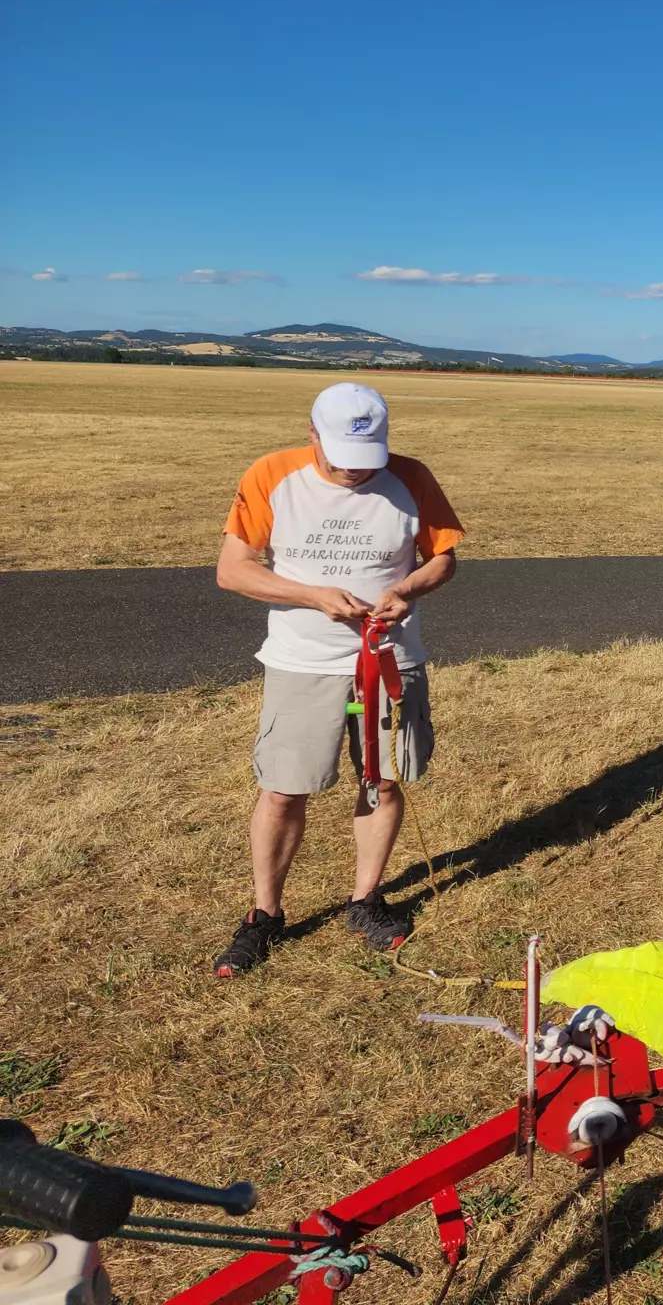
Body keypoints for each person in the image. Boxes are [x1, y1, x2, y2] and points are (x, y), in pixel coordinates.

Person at [212, 382, 464, 976]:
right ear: (311, 433)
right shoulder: (271, 475)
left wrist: (406, 589)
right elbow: (232, 569)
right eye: (340, 461)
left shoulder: (412, 478)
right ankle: (264, 915)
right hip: (303, 661)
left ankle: (366, 900)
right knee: (281, 789)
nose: (354, 473)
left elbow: (443, 558)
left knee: (383, 780)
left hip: (390, 661)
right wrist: (310, 594)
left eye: (366, 460)